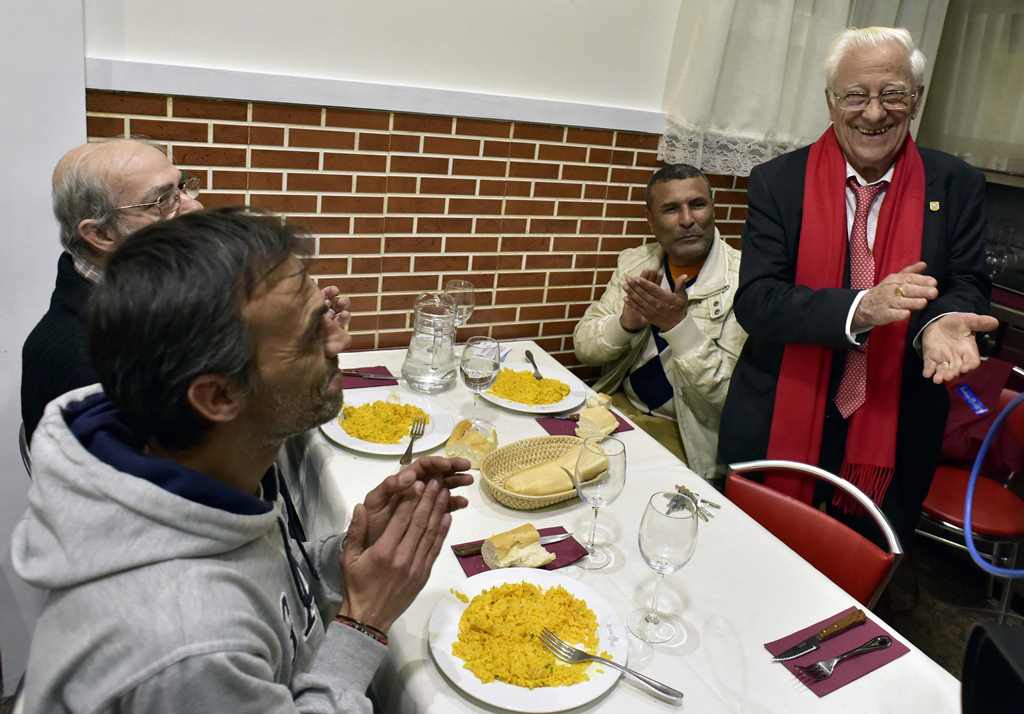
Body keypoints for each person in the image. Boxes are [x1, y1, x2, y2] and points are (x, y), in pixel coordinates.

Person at [12, 208, 473, 712]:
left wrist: (344, 560)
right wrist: (365, 623)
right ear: (218, 396)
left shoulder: (195, 481)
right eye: (310, 331)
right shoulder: (187, 645)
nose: (340, 339)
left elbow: (267, 590)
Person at [719, 27, 997, 543]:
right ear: (831, 102)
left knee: (861, 576)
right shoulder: (777, 182)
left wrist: (937, 323)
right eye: (856, 95)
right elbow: (758, 303)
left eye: (892, 94)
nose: (874, 113)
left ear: (915, 101)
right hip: (780, 409)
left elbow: (964, 281)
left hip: (898, 428)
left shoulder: (955, 184)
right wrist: (861, 308)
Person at [20, 139, 349, 443]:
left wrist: (296, 330)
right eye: (162, 201)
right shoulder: (76, 360)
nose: (194, 206)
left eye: (183, 187)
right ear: (101, 234)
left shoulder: (159, 300)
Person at [573, 164, 746, 482]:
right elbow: (584, 346)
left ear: (712, 207)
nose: (687, 220)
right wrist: (626, 323)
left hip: (686, 435)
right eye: (670, 209)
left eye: (697, 204)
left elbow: (730, 397)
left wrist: (679, 327)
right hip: (620, 408)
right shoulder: (635, 262)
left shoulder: (744, 280)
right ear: (650, 220)